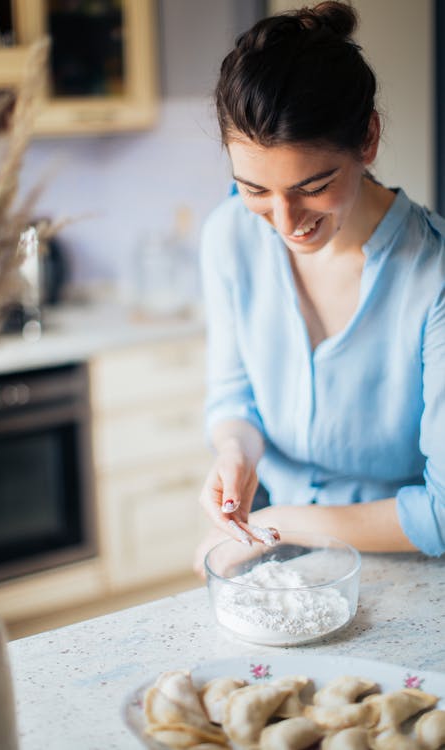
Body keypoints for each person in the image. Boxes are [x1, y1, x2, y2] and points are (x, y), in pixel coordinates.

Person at [194, 1, 445, 574]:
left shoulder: (434, 277)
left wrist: (277, 521)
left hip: (407, 563)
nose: (285, 222)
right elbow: (234, 397)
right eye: (254, 190)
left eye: (313, 185)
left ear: (369, 139)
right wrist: (236, 454)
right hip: (275, 552)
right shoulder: (227, 237)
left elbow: (441, 513)